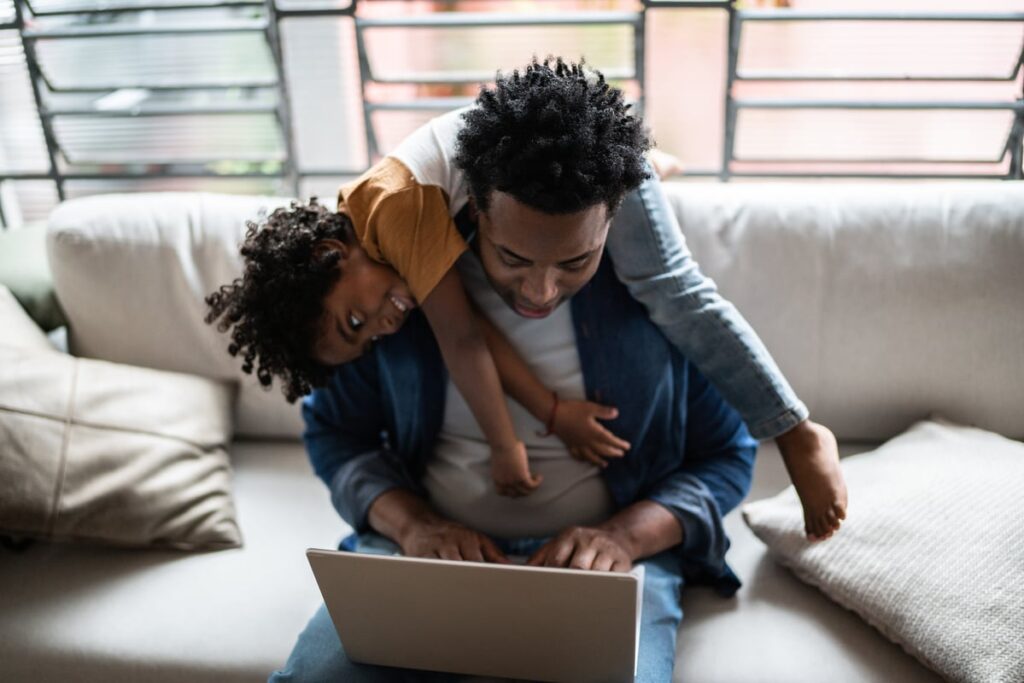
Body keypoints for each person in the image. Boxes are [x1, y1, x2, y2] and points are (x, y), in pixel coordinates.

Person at [207, 57, 846, 541]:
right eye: (512, 259)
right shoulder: (386, 272)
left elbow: (463, 341)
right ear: (477, 215)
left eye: (575, 260)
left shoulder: (393, 223)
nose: (539, 293)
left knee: (668, 280)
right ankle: (654, 162)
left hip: (575, 150)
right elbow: (469, 339)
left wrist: (509, 446)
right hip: (518, 151)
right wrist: (415, 525)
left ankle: (798, 432)